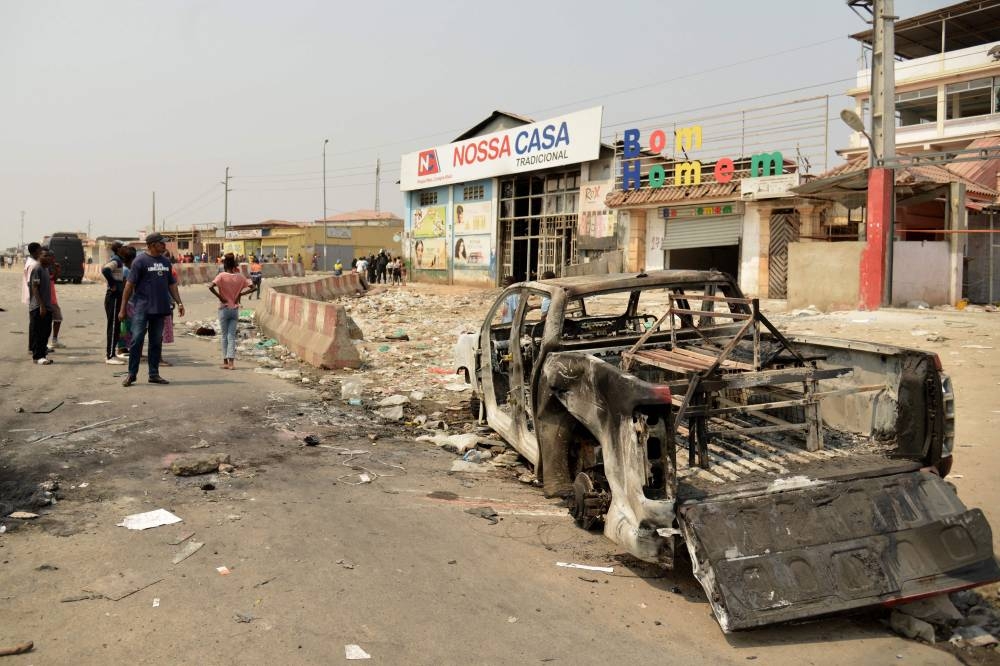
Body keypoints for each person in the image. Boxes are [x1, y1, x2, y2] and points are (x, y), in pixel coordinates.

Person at [119, 233, 185, 387]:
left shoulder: (166, 262)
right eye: (162, 243)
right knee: (136, 341)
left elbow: (172, 285)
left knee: (156, 342)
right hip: (142, 309)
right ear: (153, 244)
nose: (164, 246)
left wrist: (179, 303)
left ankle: (153, 374)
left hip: (160, 309)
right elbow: (129, 286)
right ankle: (132, 374)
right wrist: (122, 309)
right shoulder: (139, 261)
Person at [209, 254, 254, 370]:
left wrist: (220, 297)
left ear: (225, 265)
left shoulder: (221, 276)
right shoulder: (240, 277)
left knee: (224, 336)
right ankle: (231, 363)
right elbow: (254, 287)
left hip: (224, 309)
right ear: (234, 265)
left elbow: (210, 286)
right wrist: (241, 294)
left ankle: (225, 361)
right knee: (231, 336)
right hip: (234, 309)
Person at [28, 249, 54, 365]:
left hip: (47, 306)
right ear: (39, 256)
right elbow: (34, 288)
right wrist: (41, 306)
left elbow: (49, 283)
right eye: (45, 255)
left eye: (49, 256)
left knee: (46, 332)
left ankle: (42, 355)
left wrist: (57, 272)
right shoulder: (37, 269)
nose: (48, 258)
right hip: (38, 307)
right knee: (39, 332)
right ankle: (37, 357)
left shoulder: (46, 269)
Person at [102, 241, 126, 364]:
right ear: (118, 249)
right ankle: (110, 356)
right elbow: (105, 270)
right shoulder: (116, 260)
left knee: (116, 326)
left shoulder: (119, 260)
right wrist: (112, 285)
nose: (125, 249)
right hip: (114, 297)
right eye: (123, 247)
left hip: (116, 296)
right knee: (113, 326)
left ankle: (112, 353)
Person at [22, 242, 42, 355]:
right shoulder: (33, 265)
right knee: (35, 324)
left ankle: (34, 346)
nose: (41, 252)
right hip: (34, 297)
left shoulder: (32, 262)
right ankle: (33, 347)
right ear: (35, 251)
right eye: (40, 250)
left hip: (33, 296)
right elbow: (33, 283)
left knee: (35, 323)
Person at [48, 258, 64, 349]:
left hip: (52, 300)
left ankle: (54, 340)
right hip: (47, 300)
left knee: (58, 319)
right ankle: (46, 343)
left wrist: (57, 271)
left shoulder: (47, 268)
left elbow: (53, 279)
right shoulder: (41, 269)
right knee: (47, 323)